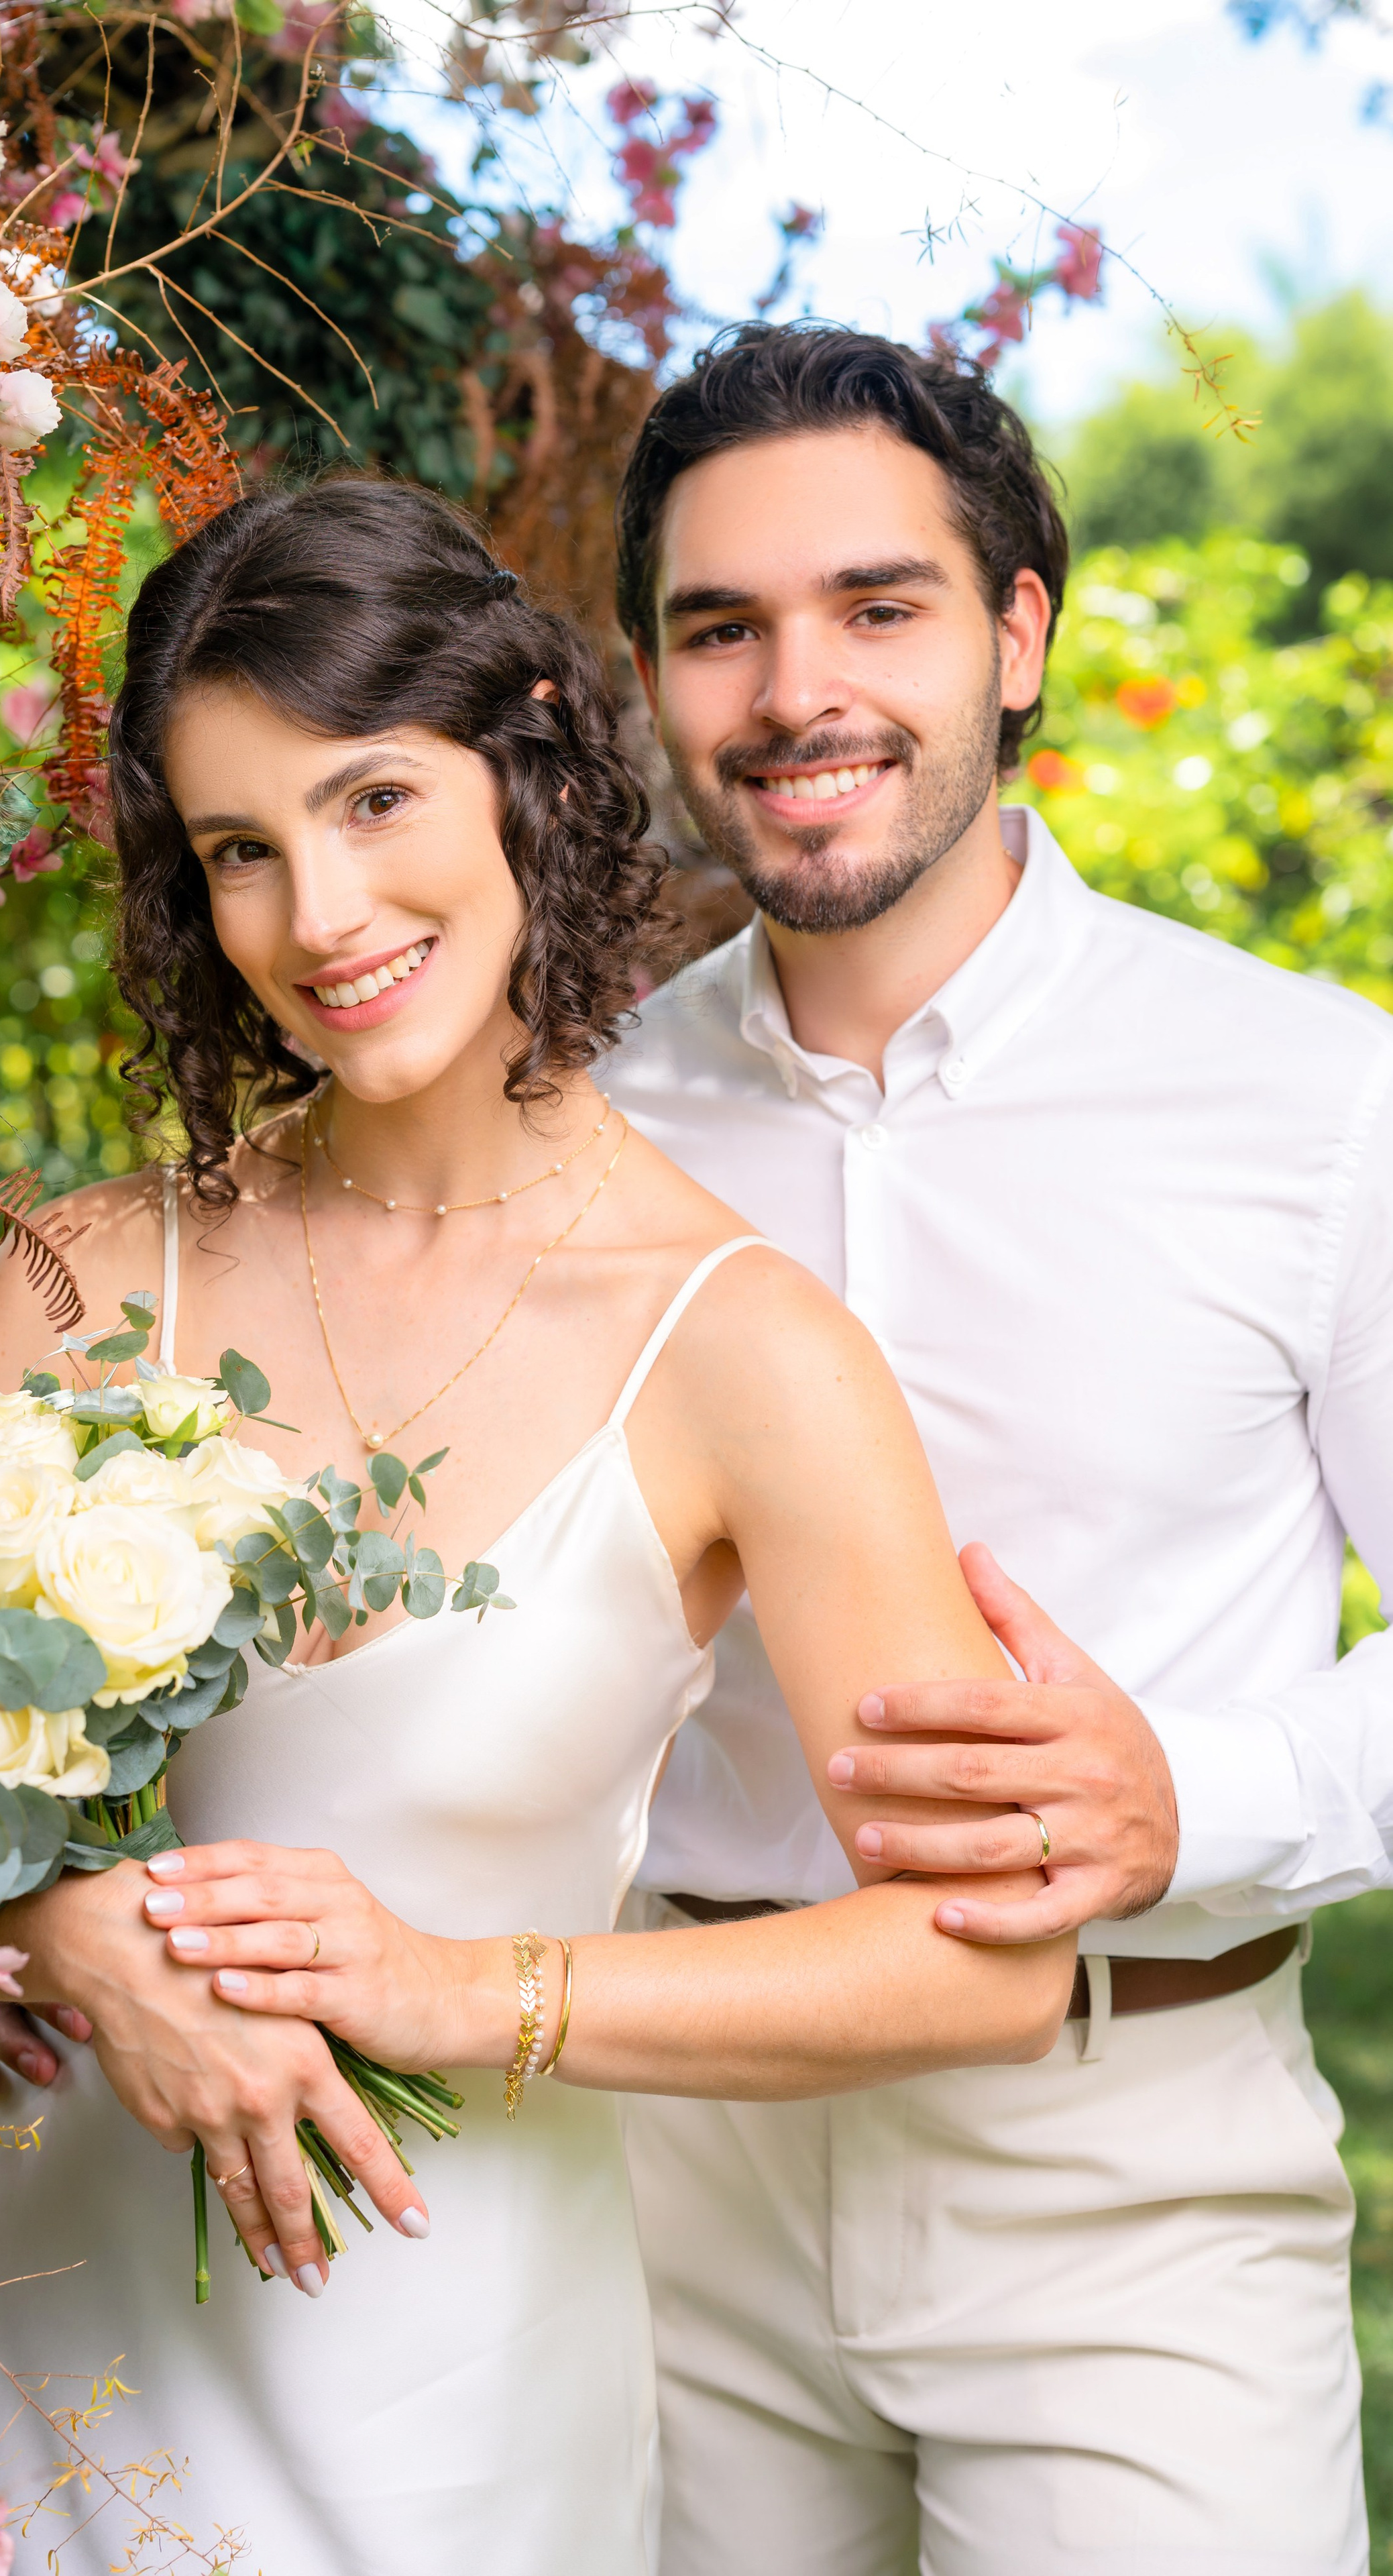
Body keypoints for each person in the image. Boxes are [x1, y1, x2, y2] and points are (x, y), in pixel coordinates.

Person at [0, 474, 1074, 2576]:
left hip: (442, 2406)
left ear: (526, 755)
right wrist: (67, 1925)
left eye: (372, 804)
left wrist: (476, 1990)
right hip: (25, 2362)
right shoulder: (75, 1285)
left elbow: (983, 1963)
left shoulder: (744, 1352)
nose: (318, 918)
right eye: (240, 853)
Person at [591, 325, 1389, 2575]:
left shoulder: (1321, 1103)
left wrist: (1189, 1802)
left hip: (1133, 2175)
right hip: (671, 2154)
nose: (793, 691)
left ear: (1020, 632)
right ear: (655, 676)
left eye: (879, 605)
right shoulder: (581, 1124)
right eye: (719, 628)